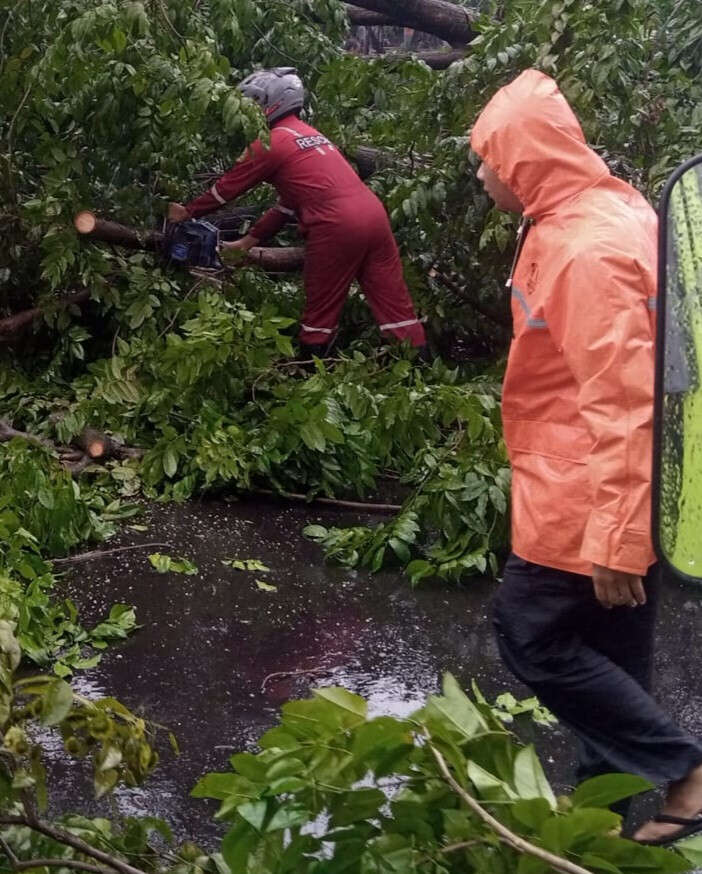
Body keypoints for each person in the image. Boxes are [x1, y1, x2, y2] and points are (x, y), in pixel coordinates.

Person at [473, 68, 702, 845]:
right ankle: (600, 830)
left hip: (585, 493)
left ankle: (687, 772)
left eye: (487, 159)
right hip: (598, 483)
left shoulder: (584, 251)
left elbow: (624, 399)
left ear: (522, 163)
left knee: (528, 632)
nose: (480, 175)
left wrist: (615, 536)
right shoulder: (603, 207)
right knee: (612, 663)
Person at [167, 67, 426, 357]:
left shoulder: (271, 142)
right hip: (374, 216)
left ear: (270, 102)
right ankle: (422, 378)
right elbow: (287, 204)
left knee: (320, 314)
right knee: (397, 309)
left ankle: (310, 379)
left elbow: (226, 189)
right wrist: (248, 242)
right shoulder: (310, 135)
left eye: (254, 103)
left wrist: (187, 212)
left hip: (336, 225)